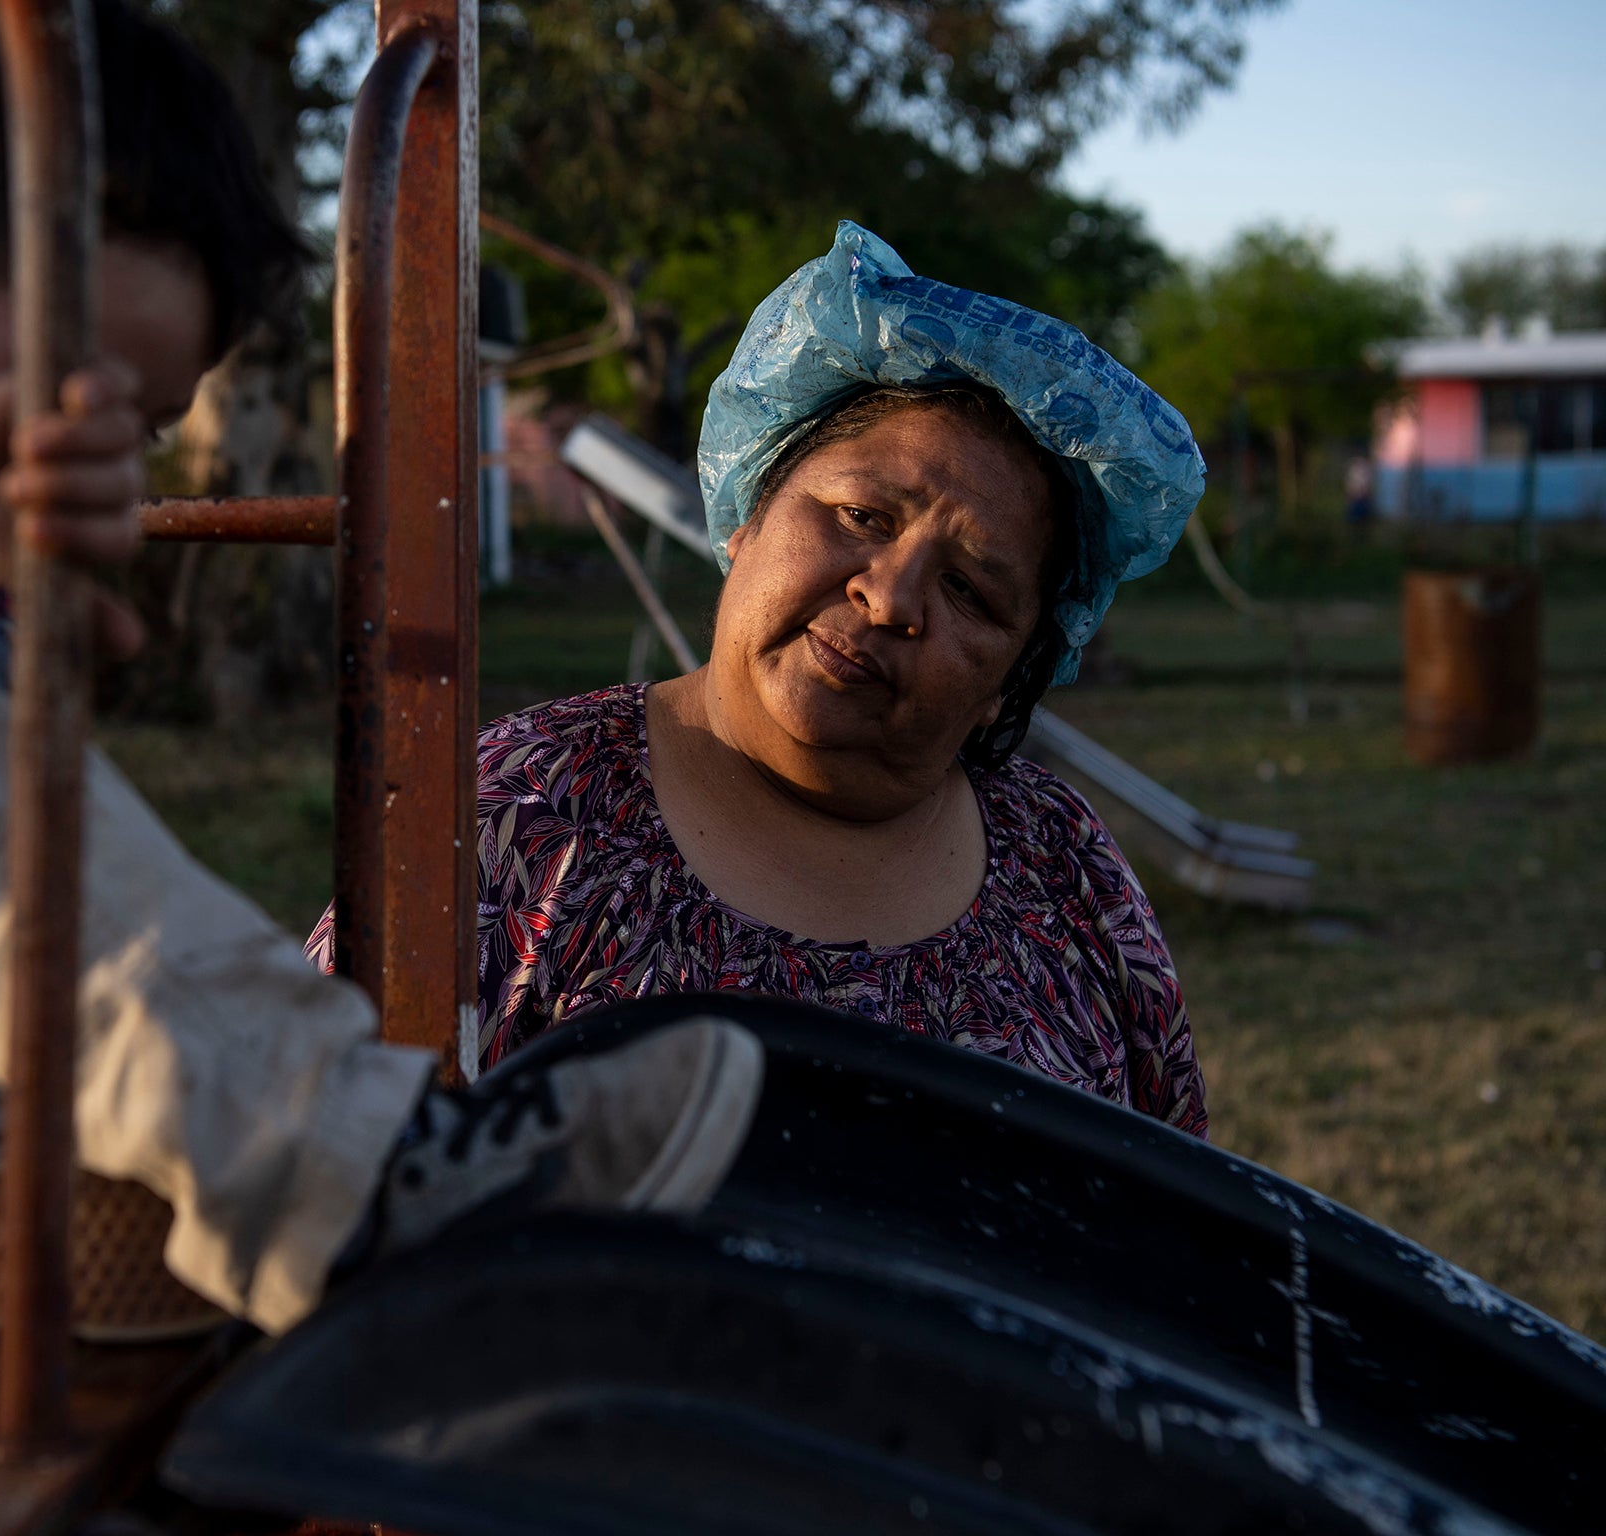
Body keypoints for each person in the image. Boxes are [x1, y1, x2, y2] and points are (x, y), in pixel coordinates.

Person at [0, 0, 762, 1336]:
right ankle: (389, 1188)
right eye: (62, 391)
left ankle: (135, 1251)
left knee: (30, 924)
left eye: (137, 424)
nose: (87, 455)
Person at [313, 222, 1209, 1137]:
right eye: (860, 514)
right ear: (748, 514)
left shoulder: (1067, 871)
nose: (891, 597)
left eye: (971, 590)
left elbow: (1169, 1219)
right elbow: (305, 1162)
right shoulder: (513, 817)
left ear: (1013, 677)